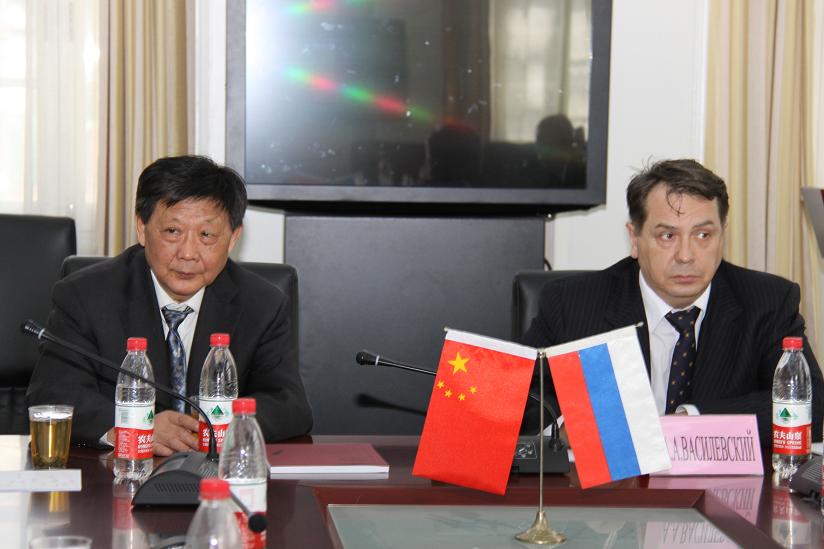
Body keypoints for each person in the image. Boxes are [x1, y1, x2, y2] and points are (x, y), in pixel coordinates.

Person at [522, 158, 824, 445]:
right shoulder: (572, 304)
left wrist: (689, 422)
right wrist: (565, 429)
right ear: (635, 239)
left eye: (703, 235)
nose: (686, 255)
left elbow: (812, 404)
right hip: (612, 481)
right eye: (667, 236)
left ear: (722, 235)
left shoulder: (767, 302)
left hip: (721, 481)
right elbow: (523, 404)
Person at [27, 155, 313, 454]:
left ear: (232, 239)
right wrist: (137, 426)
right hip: (120, 473)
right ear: (142, 227)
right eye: (173, 232)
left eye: (206, 235)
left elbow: (289, 405)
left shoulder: (262, 304)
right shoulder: (84, 296)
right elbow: (52, 395)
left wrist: (216, 424)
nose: (188, 253)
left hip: (218, 474)